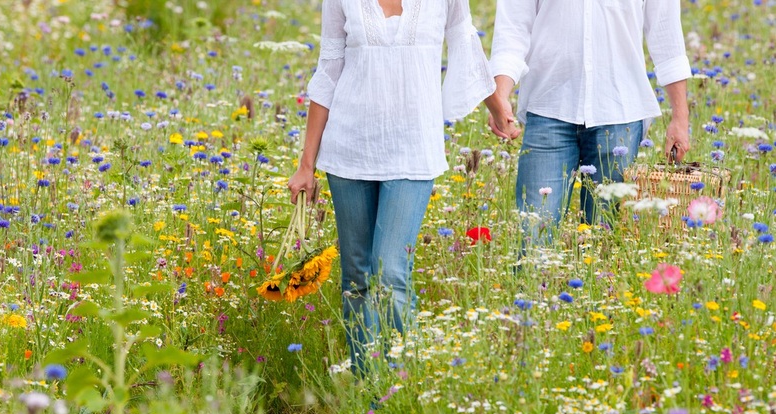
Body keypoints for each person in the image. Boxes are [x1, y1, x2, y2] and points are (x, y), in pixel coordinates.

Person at [288, 0, 518, 375]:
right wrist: (305, 165)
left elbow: (465, 44)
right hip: (350, 148)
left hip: (413, 150)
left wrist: (497, 108)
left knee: (391, 271)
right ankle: (368, 391)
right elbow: (329, 70)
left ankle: (402, 387)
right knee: (358, 276)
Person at [488, 0, 692, 246]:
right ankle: (532, 286)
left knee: (603, 241)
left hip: (619, 114)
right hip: (548, 106)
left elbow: (666, 36)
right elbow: (513, 30)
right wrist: (500, 96)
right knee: (534, 237)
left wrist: (680, 117)